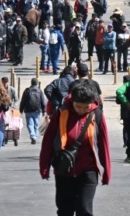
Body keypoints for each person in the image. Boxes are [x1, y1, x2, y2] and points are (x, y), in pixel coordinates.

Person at [40, 82, 110, 216]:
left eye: (86, 107)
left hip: (88, 170)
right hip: (64, 169)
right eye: (78, 106)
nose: (82, 110)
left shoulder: (98, 115)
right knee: (65, 210)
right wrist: (45, 166)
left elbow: (103, 144)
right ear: (72, 101)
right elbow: (48, 141)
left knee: (84, 209)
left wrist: (106, 172)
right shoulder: (61, 113)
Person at [20, 78, 47, 144]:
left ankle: (33, 136)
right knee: (36, 124)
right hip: (37, 110)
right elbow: (43, 101)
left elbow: (23, 100)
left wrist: (21, 109)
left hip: (28, 110)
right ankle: (35, 135)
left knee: (30, 124)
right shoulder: (39, 91)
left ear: (31, 83)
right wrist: (44, 110)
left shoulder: (27, 90)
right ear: (37, 83)